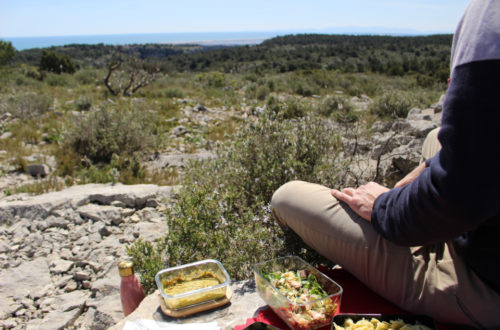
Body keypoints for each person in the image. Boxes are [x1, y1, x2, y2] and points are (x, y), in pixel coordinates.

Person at [271, 0, 500, 328]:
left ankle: (410, 239)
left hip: (484, 282)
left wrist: (383, 207)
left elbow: (458, 198)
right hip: (479, 222)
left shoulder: (491, 16)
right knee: (436, 138)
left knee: (288, 197)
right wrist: (431, 172)